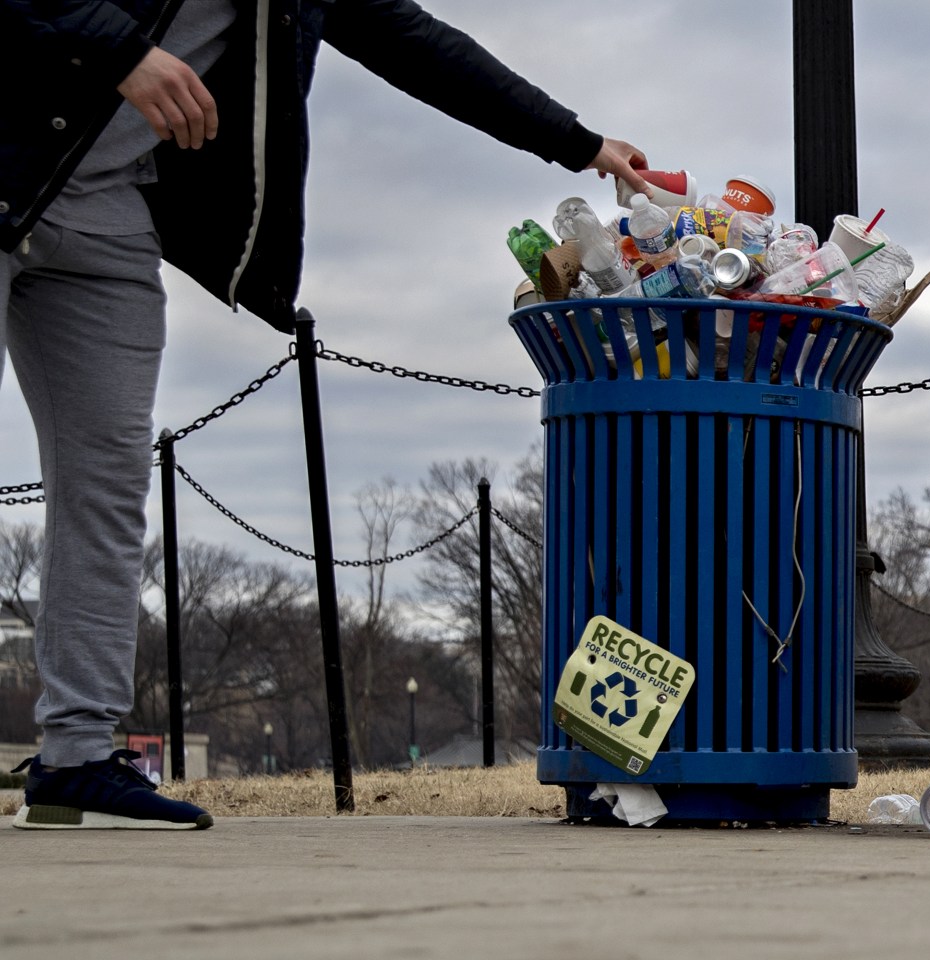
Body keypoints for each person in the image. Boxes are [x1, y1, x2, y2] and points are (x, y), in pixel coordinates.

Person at [2, 0, 650, 830]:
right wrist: (124, 50)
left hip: (102, 214)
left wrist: (580, 142)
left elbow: (416, 45)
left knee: (106, 482)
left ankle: (76, 756)